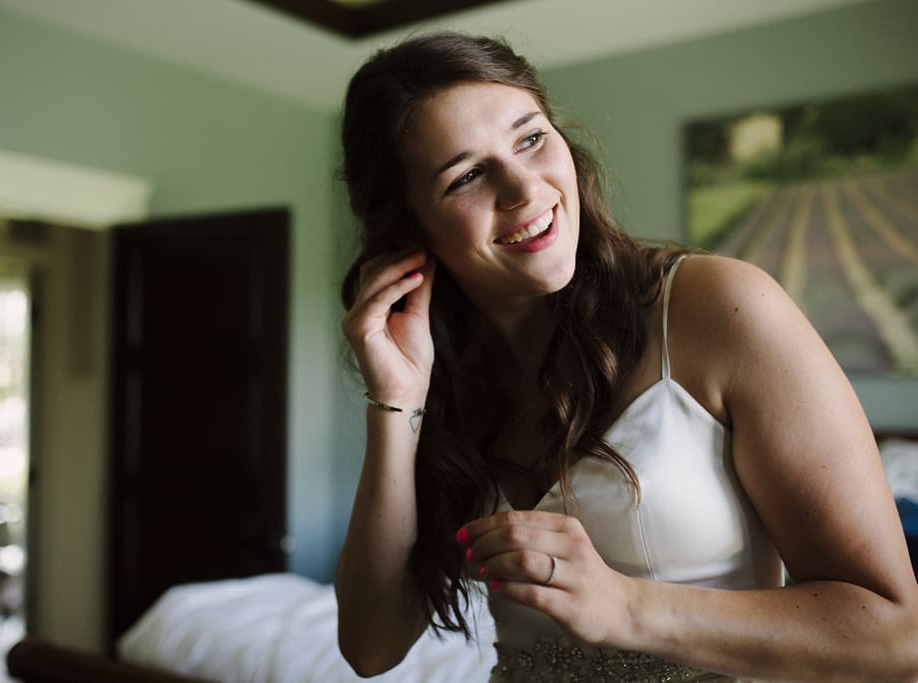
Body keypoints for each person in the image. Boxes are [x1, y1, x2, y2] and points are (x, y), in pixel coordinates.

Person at [334, 32, 918, 682]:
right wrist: (395, 403)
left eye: (531, 138)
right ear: (409, 229)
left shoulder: (716, 307)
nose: (524, 187)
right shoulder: (440, 376)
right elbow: (371, 646)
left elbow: (898, 636)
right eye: (466, 175)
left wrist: (628, 608)